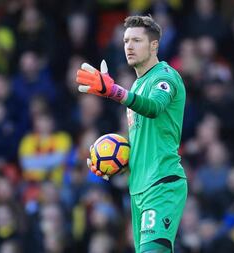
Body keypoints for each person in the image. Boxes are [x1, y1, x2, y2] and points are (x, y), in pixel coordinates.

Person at [76, 15, 187, 252]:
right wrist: (115, 164)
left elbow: (154, 107)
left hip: (162, 182)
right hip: (138, 188)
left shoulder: (165, 75)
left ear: (154, 45)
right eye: (126, 41)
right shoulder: (137, 85)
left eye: (136, 40)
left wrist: (114, 91)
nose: (129, 46)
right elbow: (147, 143)